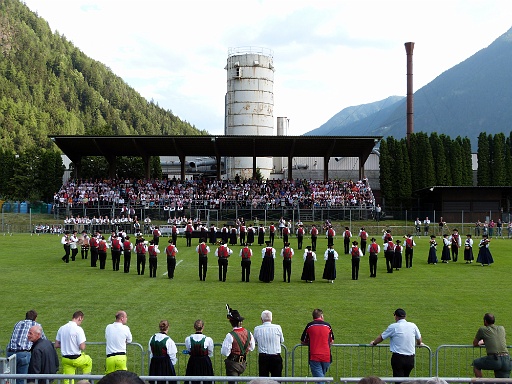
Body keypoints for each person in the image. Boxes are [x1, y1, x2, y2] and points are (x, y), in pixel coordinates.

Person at [369, 308, 423, 380]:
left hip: (398, 358)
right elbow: (419, 339)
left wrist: (374, 343)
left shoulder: (393, 326)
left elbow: (381, 337)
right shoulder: (413, 325)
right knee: (406, 379)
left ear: (396, 316)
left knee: (398, 380)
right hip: (410, 359)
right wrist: (419, 344)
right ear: (405, 316)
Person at [7, 310, 47, 384]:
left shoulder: (18, 323)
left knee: (11, 378)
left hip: (10, 353)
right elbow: (43, 340)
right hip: (23, 354)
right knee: (21, 379)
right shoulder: (36, 325)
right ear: (35, 318)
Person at [55, 311, 93, 384]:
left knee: (68, 379)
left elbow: (56, 345)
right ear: (79, 318)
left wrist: (66, 345)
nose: (81, 322)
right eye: (81, 320)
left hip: (66, 359)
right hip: (77, 358)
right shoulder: (78, 329)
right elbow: (82, 347)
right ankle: (85, 381)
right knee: (88, 361)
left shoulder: (62, 328)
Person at [300, 309, 334, 384]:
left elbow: (303, 341)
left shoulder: (310, 326)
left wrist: (312, 342)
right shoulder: (327, 326)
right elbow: (331, 341)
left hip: (314, 356)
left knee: (320, 381)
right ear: (321, 316)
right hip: (326, 356)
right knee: (321, 379)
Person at [472, 313, 511, 378]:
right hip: (507, 360)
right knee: (503, 382)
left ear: (485, 321)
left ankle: (481, 382)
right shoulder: (502, 328)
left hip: (495, 359)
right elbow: (496, 339)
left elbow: (475, 343)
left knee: (476, 364)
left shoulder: (482, 329)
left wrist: (481, 342)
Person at [221, 305, 255, 376]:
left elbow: (225, 352)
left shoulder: (230, 335)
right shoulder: (249, 333)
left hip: (233, 364)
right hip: (243, 363)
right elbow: (252, 348)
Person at [253, 310, 284, 377]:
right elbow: (282, 340)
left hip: (263, 358)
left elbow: (254, 341)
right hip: (276, 356)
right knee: (277, 379)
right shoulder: (278, 327)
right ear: (271, 319)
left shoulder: (257, 329)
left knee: (263, 379)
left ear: (261, 319)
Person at [184, 319, 214, 384]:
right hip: (205, 362)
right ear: (203, 327)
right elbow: (210, 352)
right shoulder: (208, 339)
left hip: (193, 361)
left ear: (194, 327)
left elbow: (189, 350)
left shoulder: (188, 339)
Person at [148, 320, 177, 384]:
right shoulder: (169, 340)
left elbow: (150, 351)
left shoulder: (152, 337)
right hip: (165, 364)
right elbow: (172, 355)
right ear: (168, 327)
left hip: (154, 363)